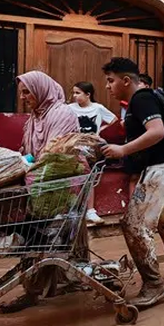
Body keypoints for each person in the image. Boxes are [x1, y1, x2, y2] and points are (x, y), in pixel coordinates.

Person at [100, 58, 164, 309]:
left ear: (126, 80)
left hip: (163, 169)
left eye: (111, 81)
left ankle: (154, 286)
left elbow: (157, 131)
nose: (108, 86)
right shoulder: (139, 102)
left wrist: (122, 150)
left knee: (134, 225)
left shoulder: (141, 99)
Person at [0, 71, 80, 313]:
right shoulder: (35, 118)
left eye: (27, 92)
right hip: (41, 187)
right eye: (21, 93)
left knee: (47, 240)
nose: (23, 97)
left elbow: (55, 154)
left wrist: (29, 168)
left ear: (41, 90)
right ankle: (49, 286)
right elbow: (30, 151)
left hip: (58, 188)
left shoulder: (62, 114)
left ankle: (35, 291)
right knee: (46, 240)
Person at [68, 82, 116, 225]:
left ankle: (90, 210)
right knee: (73, 178)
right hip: (74, 148)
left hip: (91, 149)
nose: (74, 96)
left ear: (88, 94)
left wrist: (101, 130)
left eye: (78, 93)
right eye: (74, 93)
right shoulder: (69, 108)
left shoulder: (98, 108)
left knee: (89, 177)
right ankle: (72, 210)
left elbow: (113, 120)